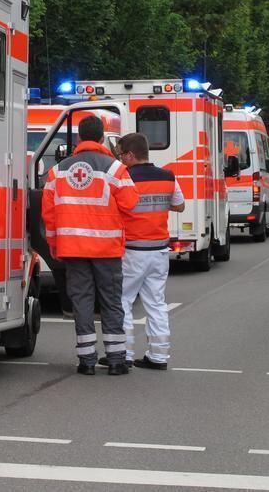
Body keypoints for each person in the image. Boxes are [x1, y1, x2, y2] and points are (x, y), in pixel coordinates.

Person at [41, 114, 138, 376]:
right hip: (106, 249)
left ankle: (86, 361)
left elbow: (48, 214)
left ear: (79, 138)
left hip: (72, 248)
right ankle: (116, 359)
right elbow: (131, 204)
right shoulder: (115, 169)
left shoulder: (57, 171)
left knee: (81, 301)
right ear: (101, 137)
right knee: (110, 300)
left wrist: (53, 244)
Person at [114, 132, 184, 370]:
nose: (120, 159)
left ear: (131, 155)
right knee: (156, 304)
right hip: (159, 250)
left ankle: (123, 353)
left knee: (122, 301)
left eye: (121, 154)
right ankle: (159, 356)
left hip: (132, 250)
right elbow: (180, 205)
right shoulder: (167, 176)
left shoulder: (124, 177)